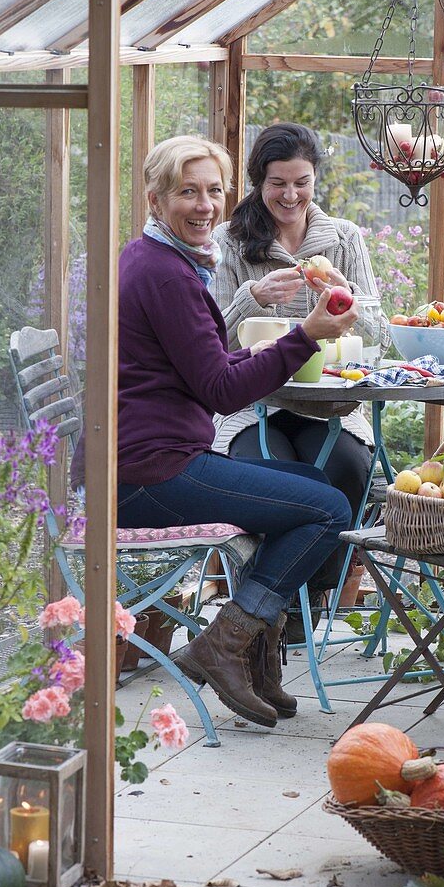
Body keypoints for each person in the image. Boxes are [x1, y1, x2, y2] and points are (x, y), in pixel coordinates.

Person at [100, 134, 360, 729]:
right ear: (156, 199)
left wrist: (290, 340)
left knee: (308, 483)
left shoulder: (157, 261)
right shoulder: (166, 276)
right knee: (325, 509)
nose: (204, 206)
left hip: (151, 460)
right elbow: (219, 390)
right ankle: (227, 641)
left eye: (214, 191)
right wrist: (306, 336)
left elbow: (208, 367)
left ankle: (256, 649)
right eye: (187, 192)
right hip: (148, 475)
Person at [212, 123, 383, 641]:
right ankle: (266, 615)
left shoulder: (344, 238)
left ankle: (296, 609)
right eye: (277, 183)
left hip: (328, 406)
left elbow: (378, 332)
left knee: (345, 468)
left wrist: (344, 293)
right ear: (257, 183)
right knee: (271, 477)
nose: (289, 195)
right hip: (251, 402)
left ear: (315, 181)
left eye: (301, 182)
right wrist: (251, 299)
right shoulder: (229, 242)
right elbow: (208, 339)